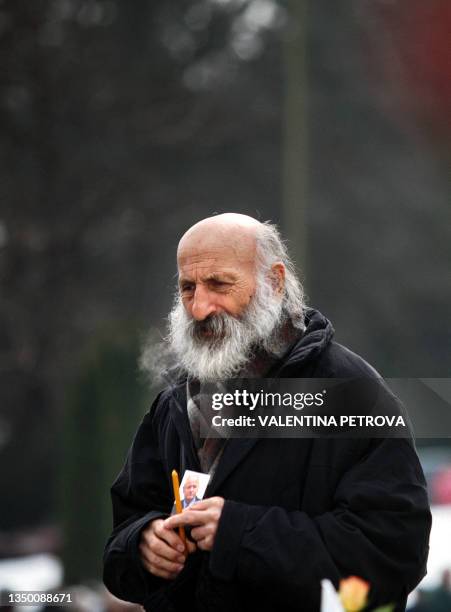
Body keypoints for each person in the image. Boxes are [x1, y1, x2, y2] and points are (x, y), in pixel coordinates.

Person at [103, 213, 431, 612]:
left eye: (219, 285)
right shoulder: (176, 402)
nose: (201, 307)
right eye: (188, 288)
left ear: (274, 282)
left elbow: (392, 556)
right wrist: (144, 543)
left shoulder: (352, 394)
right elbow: (121, 537)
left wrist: (239, 533)